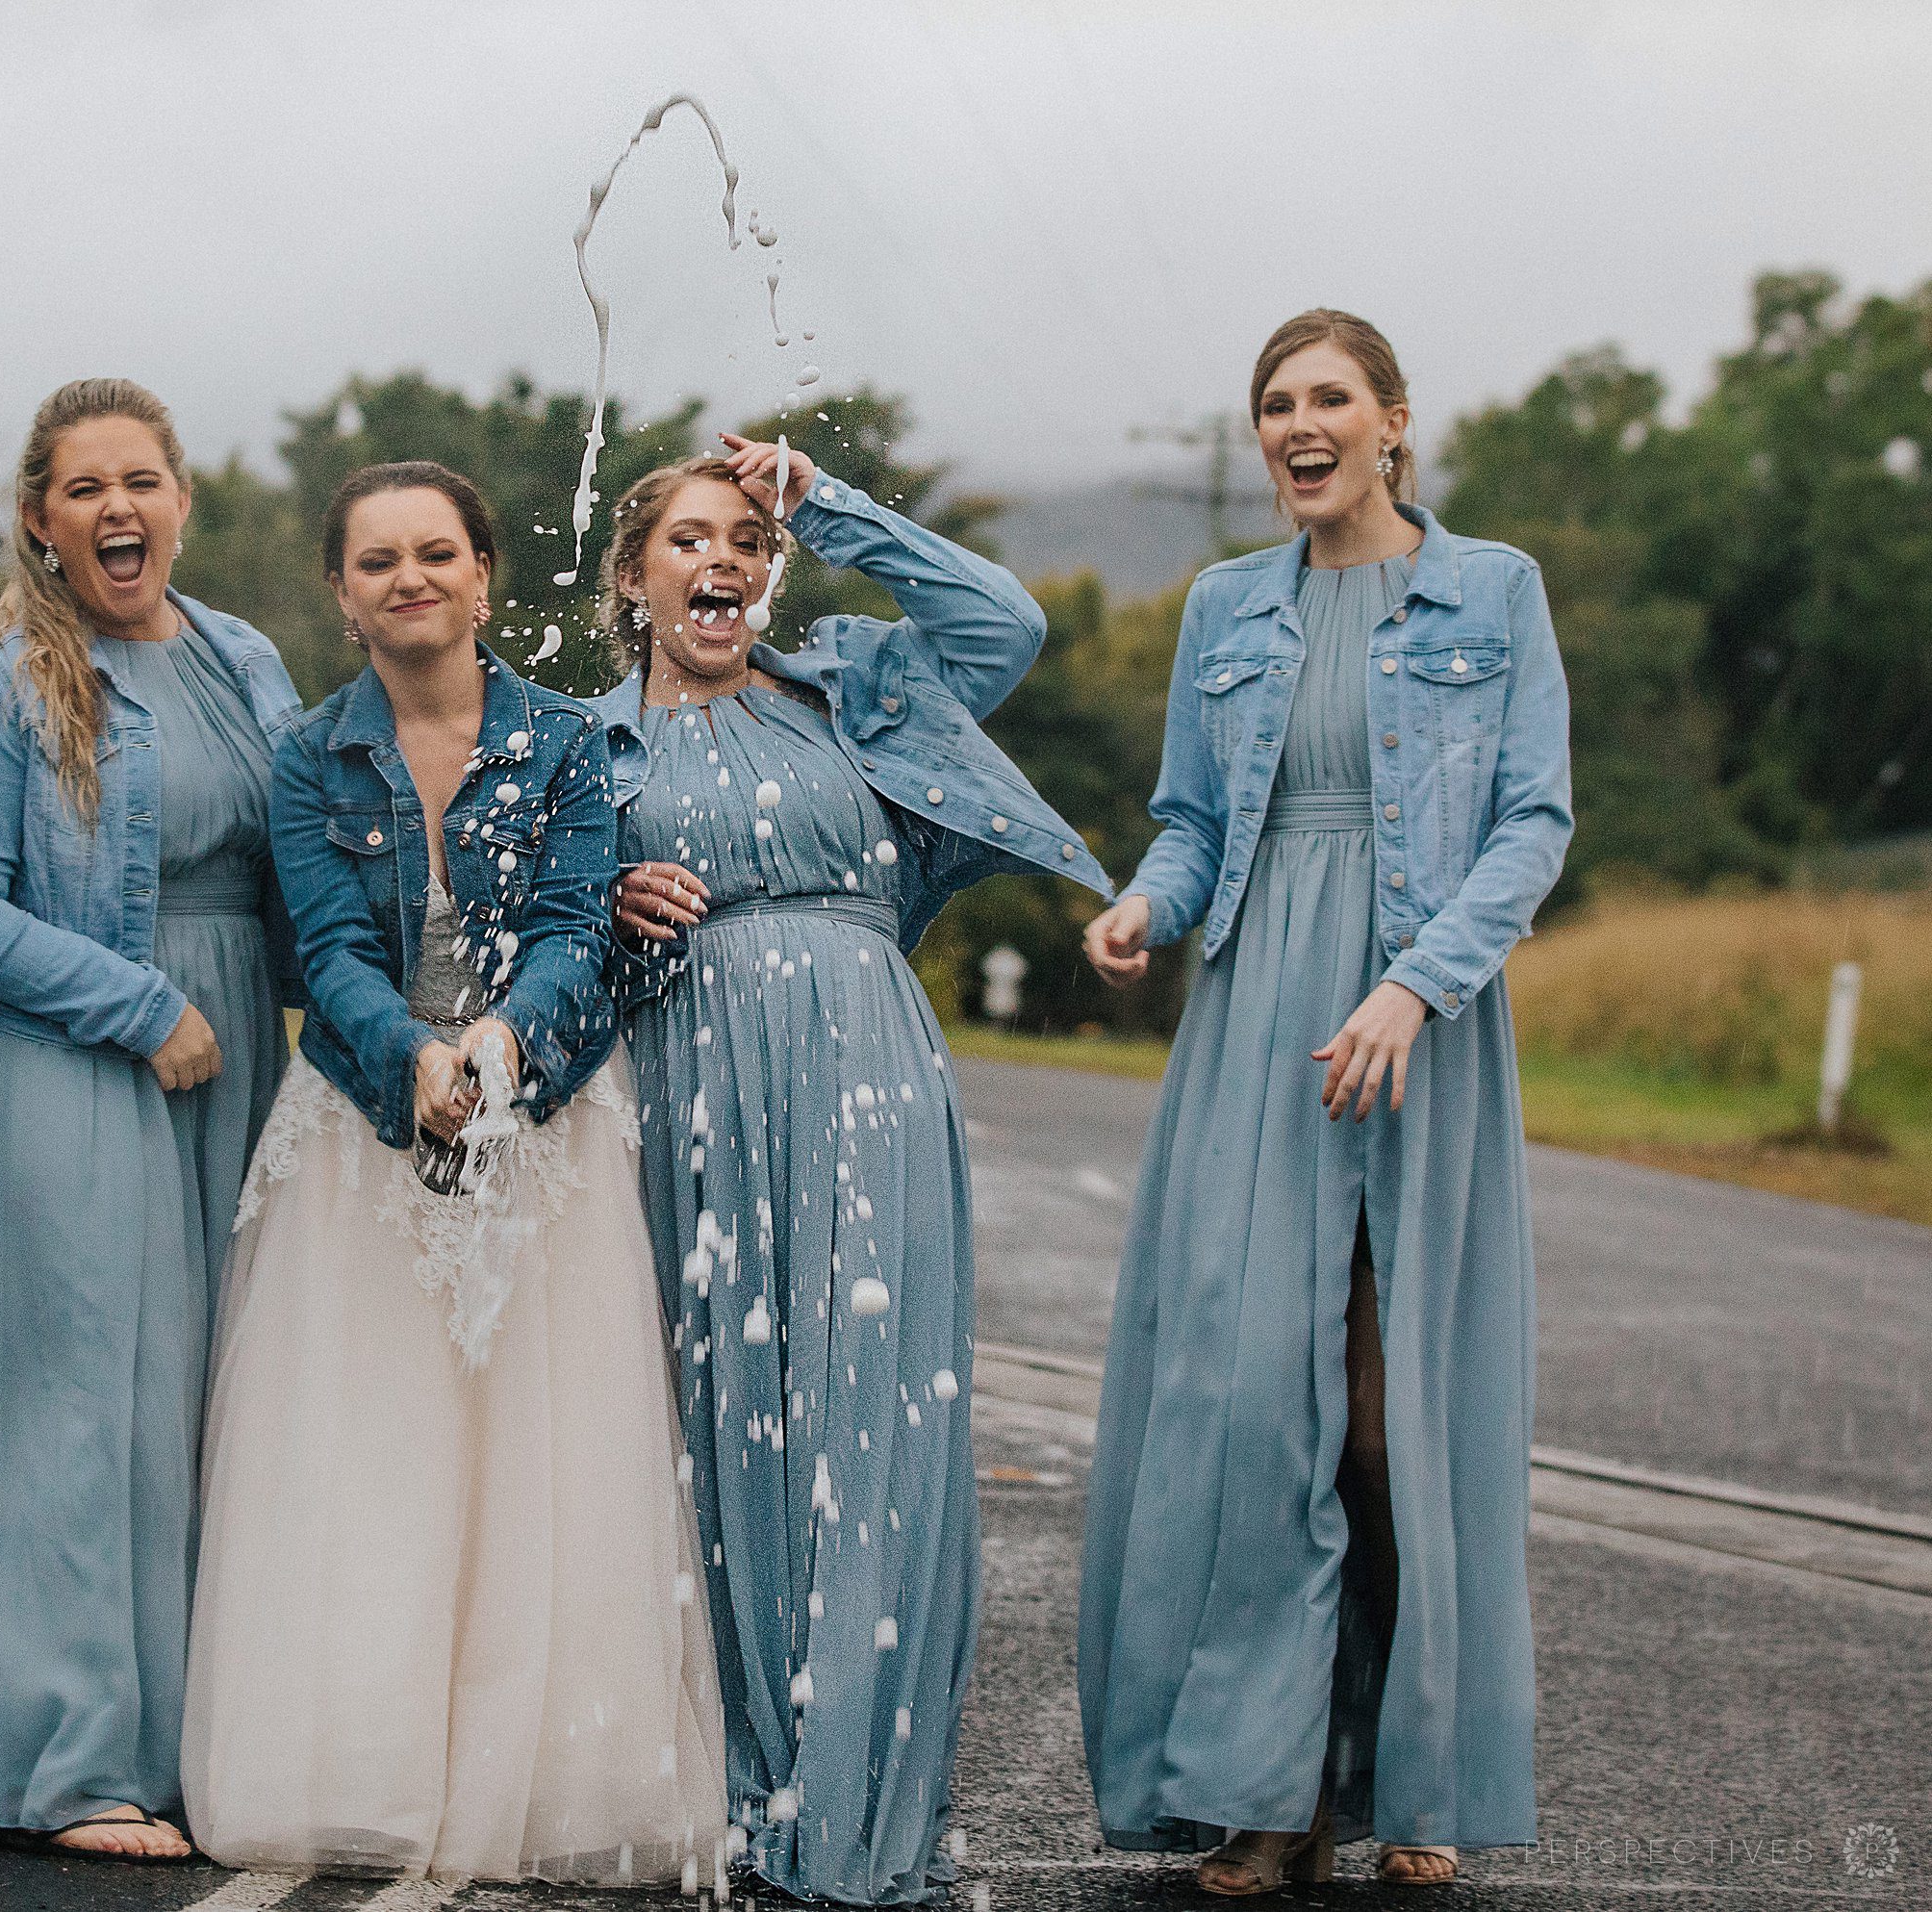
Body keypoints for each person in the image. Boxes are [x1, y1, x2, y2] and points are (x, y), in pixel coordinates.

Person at [1076, 310, 1570, 1894]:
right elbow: (1194, 823)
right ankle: (1264, 1793)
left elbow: (1532, 824)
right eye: (1276, 406)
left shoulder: (1493, 589)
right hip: (1255, 1029)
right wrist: (1144, 905)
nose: (1300, 426)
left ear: (1393, 425)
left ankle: (1405, 1770)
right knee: (1241, 1408)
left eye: (1330, 401)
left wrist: (1416, 984)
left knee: (1385, 1415)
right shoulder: (1226, 605)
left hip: (1414, 1021)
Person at [181, 461, 723, 1886]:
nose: (409, 578)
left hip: (536, 1119)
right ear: (342, 593)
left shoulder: (564, 743)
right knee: (371, 1446)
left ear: (485, 574)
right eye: (378, 561)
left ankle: (539, 1775)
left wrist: (491, 1047)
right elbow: (329, 948)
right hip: (362, 1126)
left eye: (437, 552)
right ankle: (358, 1763)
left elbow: (568, 926)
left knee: (540, 1446)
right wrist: (405, 1059)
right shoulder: (309, 758)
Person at [590, 435, 1106, 1903]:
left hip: (871, 1072)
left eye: (750, 541)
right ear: (633, 577)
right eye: (692, 538)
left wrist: (827, 503)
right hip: (690, 1081)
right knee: (722, 1416)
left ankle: (859, 1805)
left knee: (871, 1418)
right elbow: (516, 923)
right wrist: (604, 891)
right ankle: (747, 1786)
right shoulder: (580, 738)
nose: (725, 561)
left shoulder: (856, 685)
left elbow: (1004, 624)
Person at [0, 379, 298, 1861]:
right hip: (78, 1058)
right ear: (43, 524)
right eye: (84, 488)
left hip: (236, 1057)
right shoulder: (12, 683)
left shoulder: (247, 660)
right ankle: (61, 1764)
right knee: (73, 1411)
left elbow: (316, 866)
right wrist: (137, 1010)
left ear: (183, 498)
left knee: (192, 1410)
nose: (119, 508)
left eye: (144, 480)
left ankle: (179, 1737)